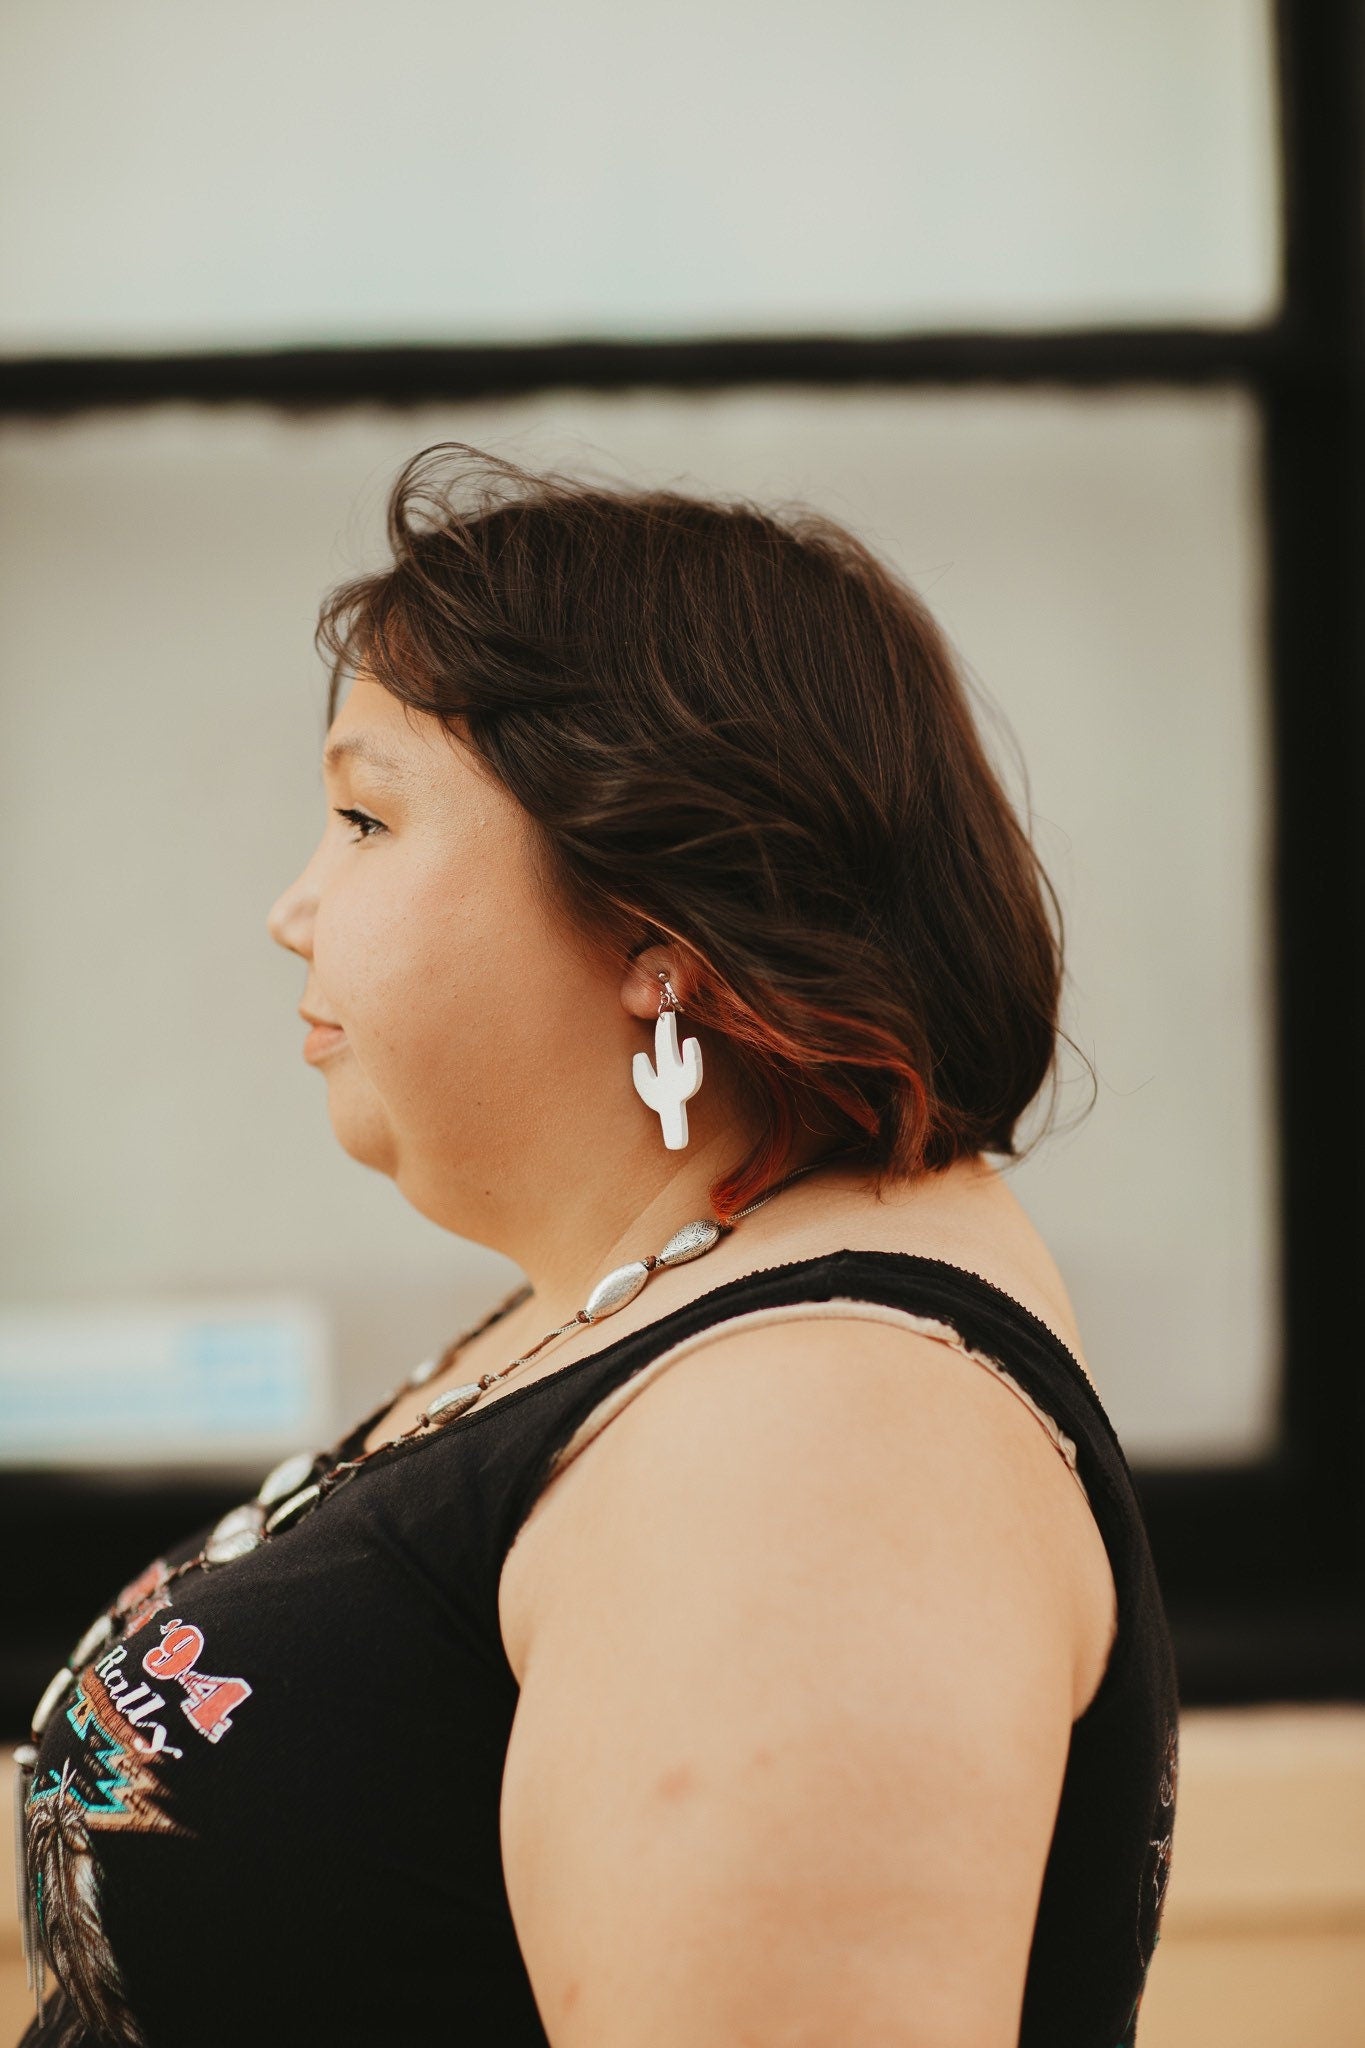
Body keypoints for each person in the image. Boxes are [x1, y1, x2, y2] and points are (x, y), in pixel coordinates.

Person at [15, 442, 1179, 2047]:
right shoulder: (671, 1303)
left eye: (364, 818)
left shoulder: (821, 1433)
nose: (294, 906)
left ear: (655, 929)